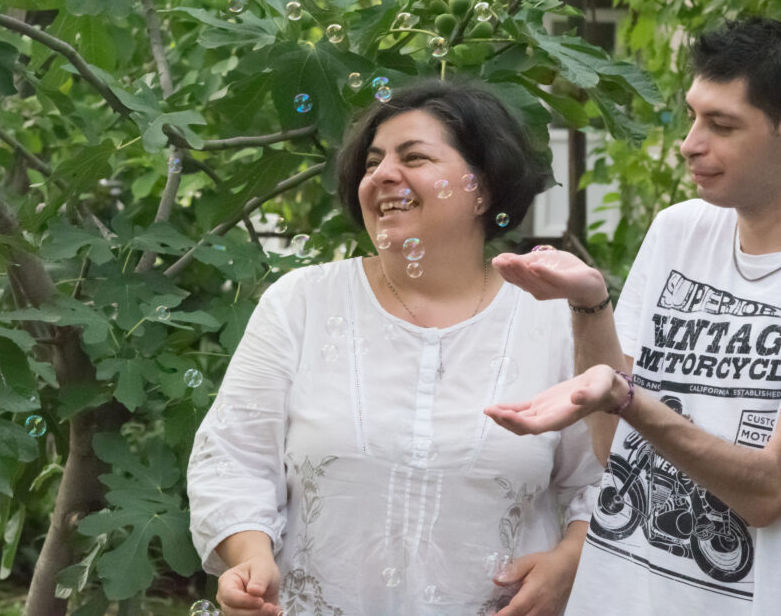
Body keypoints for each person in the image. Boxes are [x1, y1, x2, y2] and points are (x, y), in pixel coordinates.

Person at [486, 17, 781, 615]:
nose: (691, 142)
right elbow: (619, 448)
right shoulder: (679, 231)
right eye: (693, 115)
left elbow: (769, 490)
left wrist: (626, 398)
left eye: (721, 124)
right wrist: (590, 304)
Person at [187, 80, 601, 616]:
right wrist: (250, 556)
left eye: (414, 157)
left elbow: (605, 477)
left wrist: (570, 559)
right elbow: (232, 459)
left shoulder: (556, 319)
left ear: (483, 188)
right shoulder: (302, 303)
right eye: (372, 162)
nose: (382, 175)